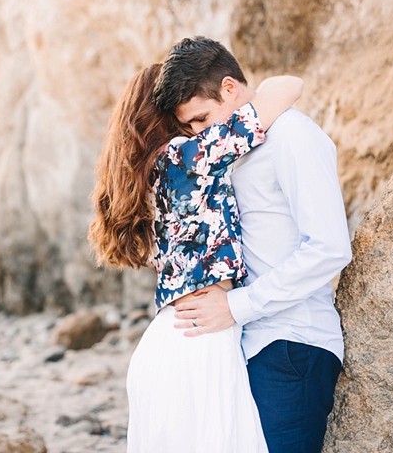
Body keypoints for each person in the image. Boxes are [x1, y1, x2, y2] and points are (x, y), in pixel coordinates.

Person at [89, 62, 303, 452]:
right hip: (201, 341)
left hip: (165, 343)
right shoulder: (187, 157)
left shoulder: (147, 174)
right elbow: (288, 87)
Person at [153, 37, 352, 453]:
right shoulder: (232, 150)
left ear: (229, 88)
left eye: (202, 120)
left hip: (294, 344)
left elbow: (330, 248)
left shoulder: (292, 135)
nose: (199, 134)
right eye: (188, 127)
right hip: (252, 344)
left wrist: (235, 307)